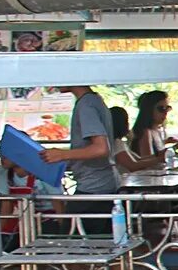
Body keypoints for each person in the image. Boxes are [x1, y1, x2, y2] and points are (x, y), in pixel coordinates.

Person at [40, 85, 119, 227]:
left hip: (93, 187)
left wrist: (63, 155)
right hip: (100, 184)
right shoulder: (93, 100)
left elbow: (101, 148)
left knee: (72, 239)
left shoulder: (86, 106)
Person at [125, 89, 175, 168]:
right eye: (161, 109)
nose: (165, 113)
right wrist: (174, 149)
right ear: (149, 109)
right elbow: (148, 161)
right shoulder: (145, 132)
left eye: (167, 108)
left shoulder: (157, 131)